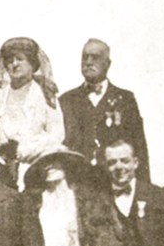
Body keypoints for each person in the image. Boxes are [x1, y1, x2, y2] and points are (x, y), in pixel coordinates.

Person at [60, 39, 150, 183]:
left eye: (95, 57)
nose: (88, 62)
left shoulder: (125, 99)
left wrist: (144, 191)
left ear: (107, 64)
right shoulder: (66, 100)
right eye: (85, 57)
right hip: (78, 184)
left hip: (114, 183)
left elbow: (139, 147)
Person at [0, 37, 64, 187]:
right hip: (2, 174)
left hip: (37, 170)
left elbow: (58, 134)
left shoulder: (45, 95)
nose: (14, 64)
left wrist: (22, 150)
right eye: (9, 60)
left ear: (32, 63)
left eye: (19, 59)